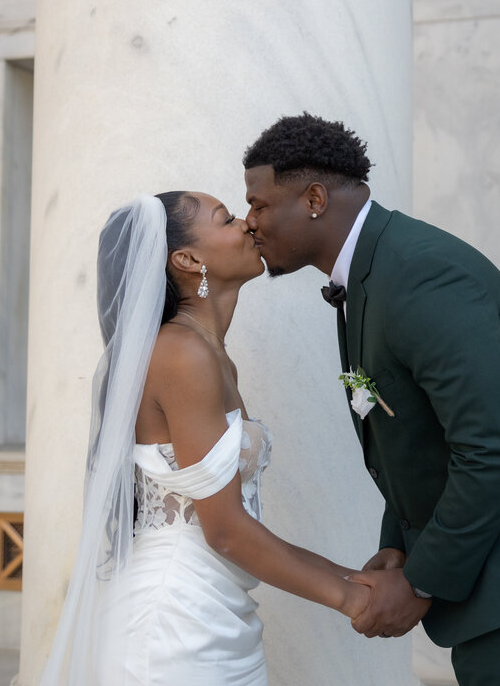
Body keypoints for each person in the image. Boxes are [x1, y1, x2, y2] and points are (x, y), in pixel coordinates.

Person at [242, 114, 500, 686]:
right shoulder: (372, 271)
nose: (249, 223)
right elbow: (408, 434)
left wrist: (420, 581)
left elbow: (493, 448)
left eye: (257, 205)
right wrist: (400, 548)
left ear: (313, 199)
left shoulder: (418, 275)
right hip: (498, 550)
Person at [41, 191, 370, 685]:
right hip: (173, 628)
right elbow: (225, 530)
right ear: (188, 259)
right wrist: (352, 597)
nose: (247, 224)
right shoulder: (181, 354)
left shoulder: (209, 354)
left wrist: (356, 578)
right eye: (227, 218)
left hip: (217, 614)